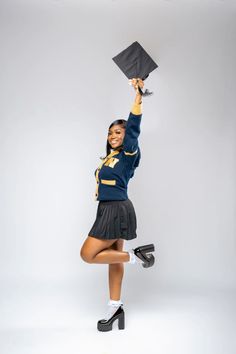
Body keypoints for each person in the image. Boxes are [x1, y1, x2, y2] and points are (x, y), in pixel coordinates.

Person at [80, 78, 155, 331]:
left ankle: (135, 256)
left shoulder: (129, 153)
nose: (113, 136)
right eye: (111, 132)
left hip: (116, 209)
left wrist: (137, 100)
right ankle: (115, 308)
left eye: (118, 132)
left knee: (87, 254)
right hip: (108, 209)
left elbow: (133, 130)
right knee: (113, 261)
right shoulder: (110, 158)